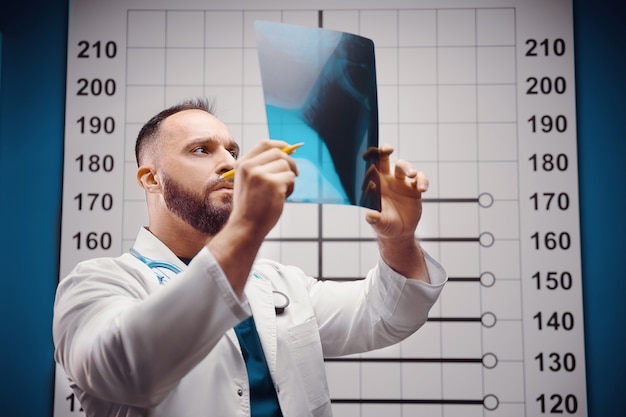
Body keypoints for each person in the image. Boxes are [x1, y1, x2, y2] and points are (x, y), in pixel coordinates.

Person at [53, 98, 447, 417]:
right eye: (201, 150)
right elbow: (129, 371)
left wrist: (399, 239)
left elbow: (384, 316)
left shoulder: (276, 284)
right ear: (151, 179)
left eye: (232, 150)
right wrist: (248, 227)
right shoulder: (95, 285)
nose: (229, 163)